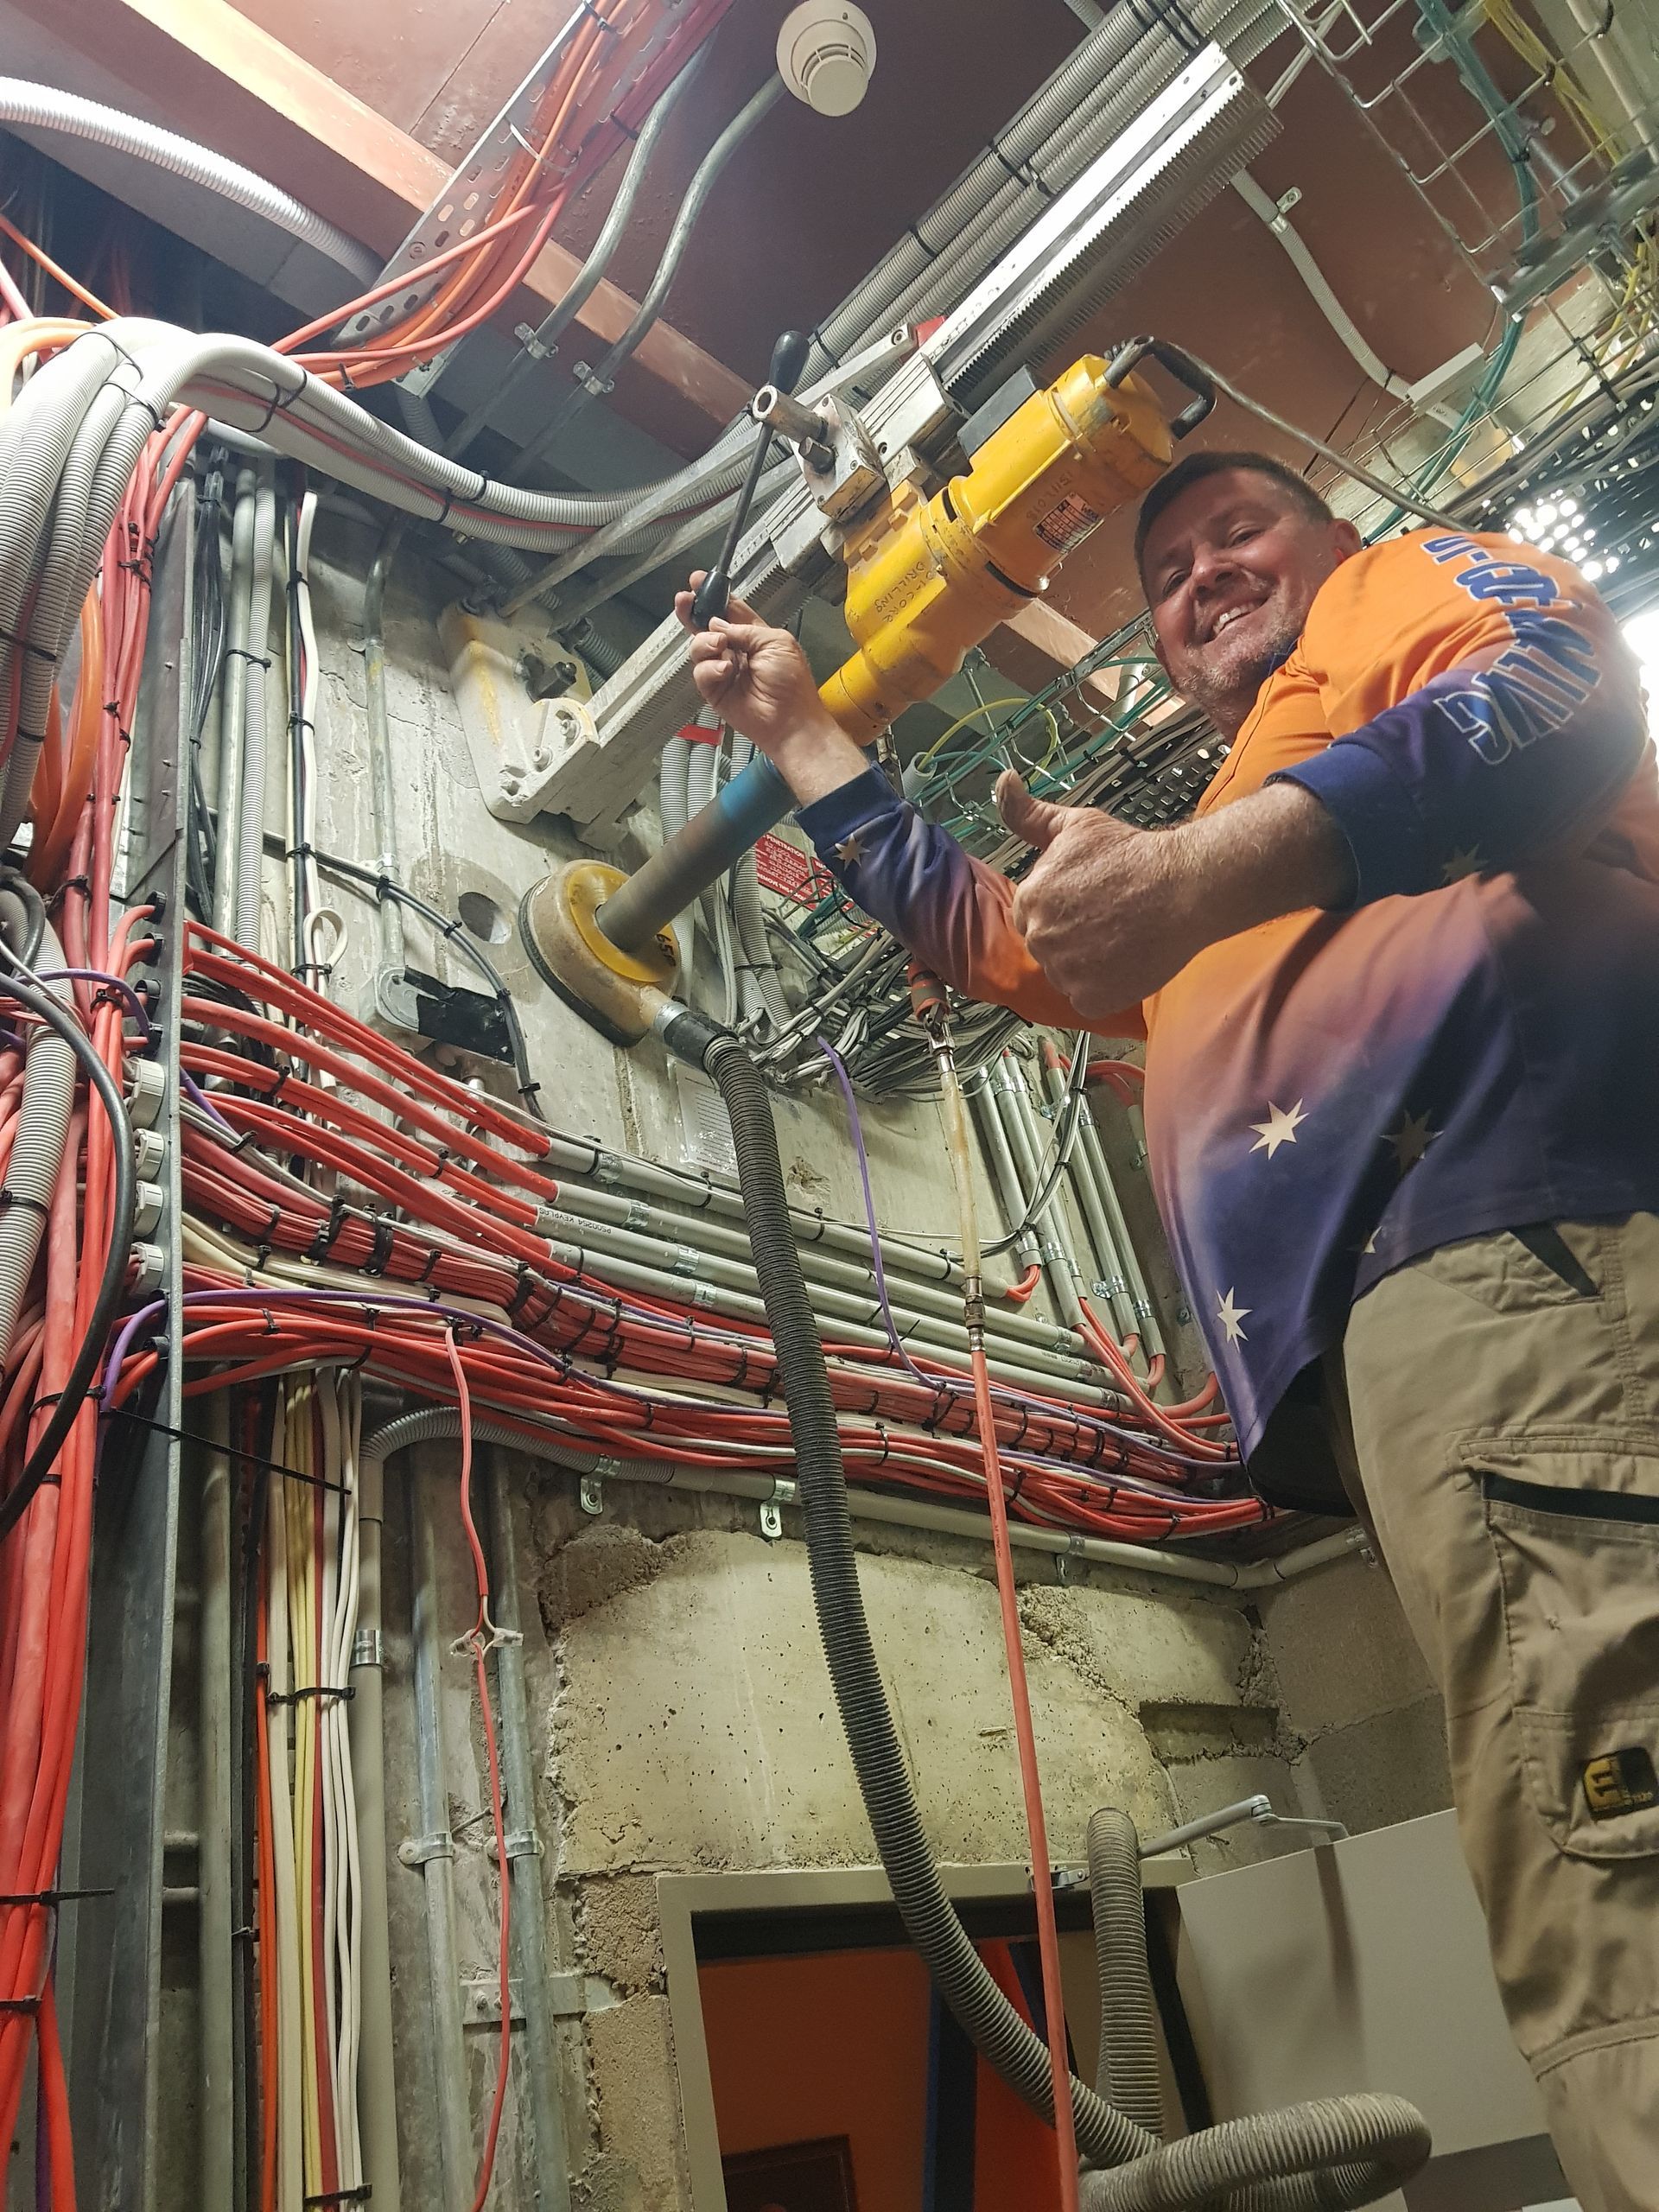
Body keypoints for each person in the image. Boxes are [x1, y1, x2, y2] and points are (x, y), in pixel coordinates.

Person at [676, 451, 1659, 2211]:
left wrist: (1210, 871)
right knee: (1571, 1820)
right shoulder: (1255, 800)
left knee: (1613, 1861)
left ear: (1339, 537)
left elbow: (1562, 697)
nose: (1203, 574)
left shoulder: (1400, 603)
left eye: (1239, 532)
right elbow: (998, 940)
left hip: (1536, 1250)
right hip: (1455, 1336)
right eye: (1168, 571)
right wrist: (799, 725)